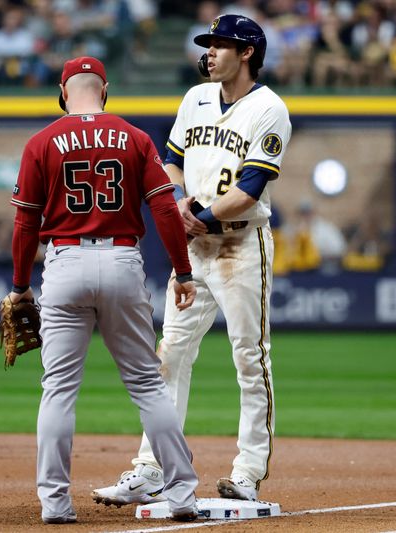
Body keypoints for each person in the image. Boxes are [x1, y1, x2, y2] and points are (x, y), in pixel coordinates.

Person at [92, 13, 291, 506]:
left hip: (241, 245)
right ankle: (153, 466)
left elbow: (250, 187)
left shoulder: (269, 109)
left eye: (221, 45)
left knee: (250, 357)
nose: (210, 52)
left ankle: (247, 472)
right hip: (193, 247)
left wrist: (195, 213)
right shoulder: (195, 98)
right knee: (171, 353)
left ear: (247, 53)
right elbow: (172, 160)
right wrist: (176, 200)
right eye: (209, 44)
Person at [6, 56, 199, 524]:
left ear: (62, 91)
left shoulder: (41, 142)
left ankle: (55, 504)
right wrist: (183, 271)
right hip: (121, 260)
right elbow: (166, 210)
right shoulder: (134, 137)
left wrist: (19, 288)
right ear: (105, 90)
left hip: (65, 261)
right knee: (148, 386)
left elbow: (25, 222)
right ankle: (182, 496)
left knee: (58, 390)